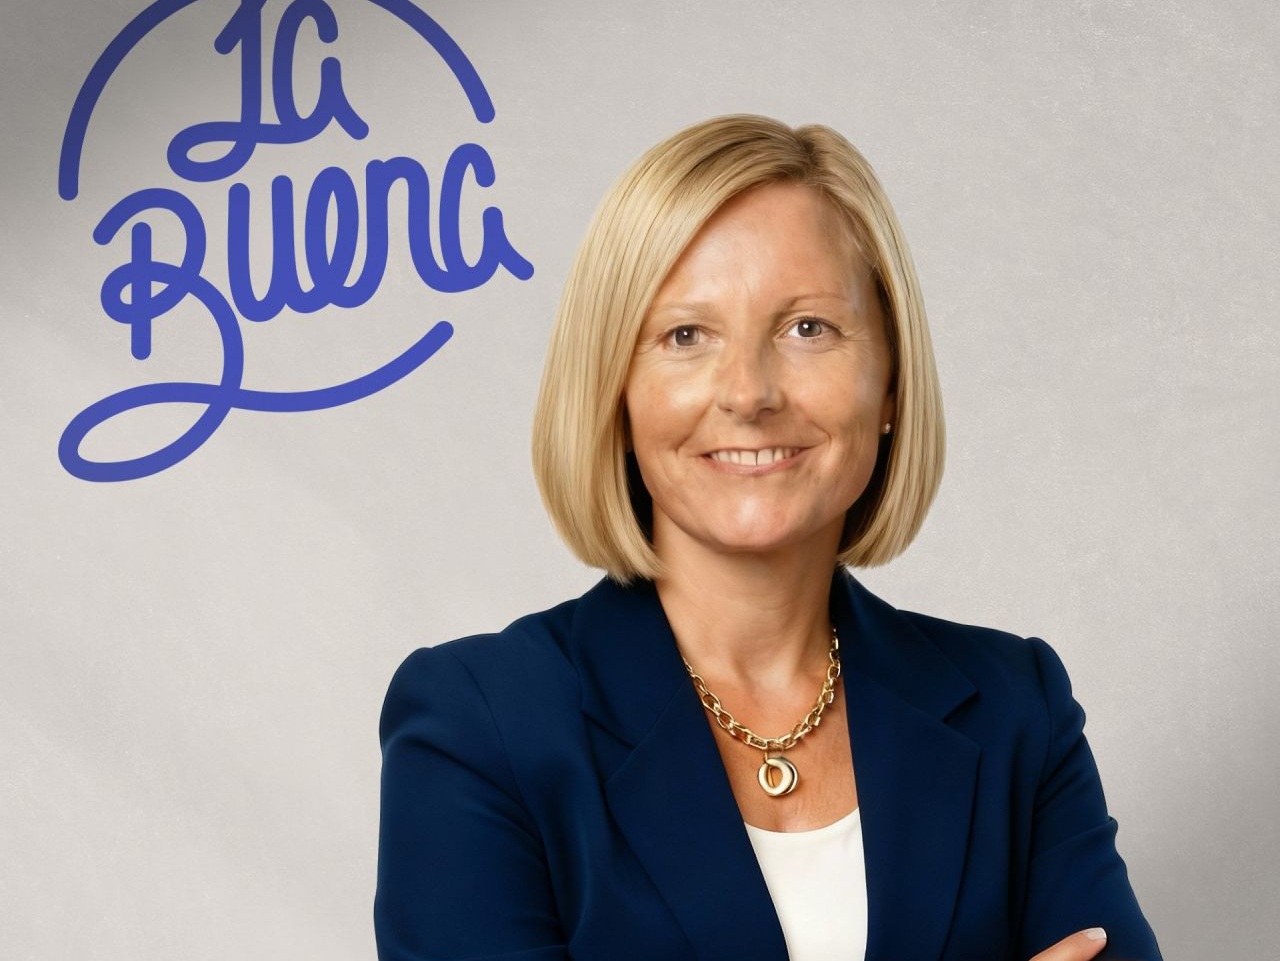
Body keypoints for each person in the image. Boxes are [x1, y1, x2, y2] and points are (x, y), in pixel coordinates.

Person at [374, 115, 1162, 961]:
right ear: (616, 391)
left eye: (807, 328)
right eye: (686, 335)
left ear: (890, 383)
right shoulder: (478, 727)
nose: (749, 393)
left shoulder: (1016, 710)